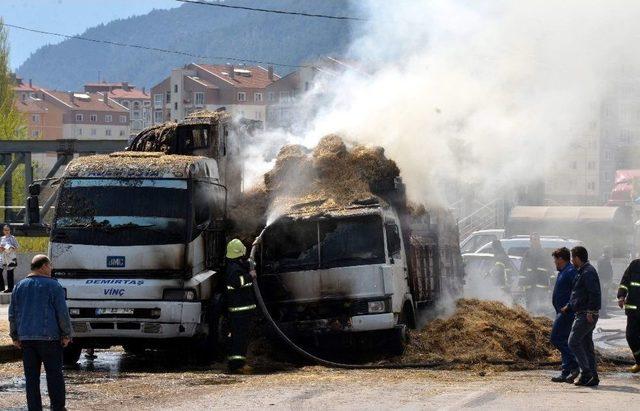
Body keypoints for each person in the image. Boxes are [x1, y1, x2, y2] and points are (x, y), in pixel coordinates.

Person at [8, 254, 72, 411]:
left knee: (31, 379)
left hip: (26, 340)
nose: (51, 269)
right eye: (50, 266)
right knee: (54, 375)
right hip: (50, 339)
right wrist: (66, 334)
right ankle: (57, 408)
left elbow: (13, 313)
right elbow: (62, 313)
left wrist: (15, 336)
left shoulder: (19, 286)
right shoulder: (54, 286)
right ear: (43, 266)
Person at [561, 246, 601, 387]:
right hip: (583, 312)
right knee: (587, 346)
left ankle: (586, 373)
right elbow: (579, 294)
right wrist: (569, 306)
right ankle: (593, 377)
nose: (572, 261)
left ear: (578, 258)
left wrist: (591, 311)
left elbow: (594, 293)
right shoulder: (582, 271)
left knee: (573, 341)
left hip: (585, 315)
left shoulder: (588, 272)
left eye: (573, 258)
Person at [224, 239, 256, 374]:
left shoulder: (236, 266)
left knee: (240, 338)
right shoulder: (234, 269)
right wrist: (250, 276)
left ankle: (237, 363)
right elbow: (237, 282)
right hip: (239, 312)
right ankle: (237, 365)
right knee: (239, 339)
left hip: (241, 311)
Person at [549, 247, 579, 383]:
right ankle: (565, 372)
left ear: (561, 259)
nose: (554, 262)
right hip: (561, 311)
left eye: (555, 259)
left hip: (567, 312)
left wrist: (568, 307)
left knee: (556, 338)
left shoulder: (570, 271)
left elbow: (576, 291)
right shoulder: (563, 271)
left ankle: (575, 364)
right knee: (564, 341)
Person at [617, 259, 640, 373]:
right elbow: (625, 282)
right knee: (631, 336)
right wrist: (621, 296)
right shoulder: (635, 265)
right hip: (633, 311)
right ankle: (639, 362)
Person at [521, 233, 553, 313]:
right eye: (533, 239)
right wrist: (521, 284)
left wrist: (552, 282)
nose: (535, 241)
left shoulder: (544, 253)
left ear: (539, 240)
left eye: (536, 239)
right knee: (529, 307)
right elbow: (523, 269)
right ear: (530, 241)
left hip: (542, 285)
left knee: (542, 307)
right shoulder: (527, 254)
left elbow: (550, 268)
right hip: (529, 285)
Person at [1, 224, 19, 293]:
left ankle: (10, 288)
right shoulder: (2, 238)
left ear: (10, 230)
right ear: (3, 231)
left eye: (8, 230)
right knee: (4, 272)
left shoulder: (12, 238)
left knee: (10, 273)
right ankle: (5, 288)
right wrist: (2, 249)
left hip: (11, 258)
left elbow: (17, 247)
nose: (7, 231)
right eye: (5, 230)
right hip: (4, 258)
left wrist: (11, 249)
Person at [597, 247, 613, 317]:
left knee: (604, 297)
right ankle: (602, 313)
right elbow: (603, 272)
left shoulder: (603, 259)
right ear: (607, 252)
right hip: (604, 281)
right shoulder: (604, 260)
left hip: (603, 280)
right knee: (603, 298)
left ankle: (603, 313)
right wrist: (606, 281)